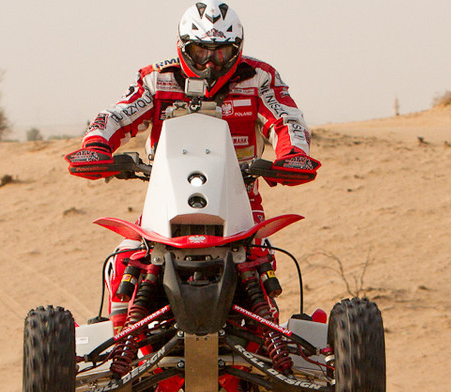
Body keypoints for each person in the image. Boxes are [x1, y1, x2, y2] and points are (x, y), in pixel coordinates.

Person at [66, 2, 320, 329]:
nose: (211, 63)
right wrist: (96, 145)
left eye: (222, 52)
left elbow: (287, 120)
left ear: (238, 49)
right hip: (167, 200)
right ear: (184, 46)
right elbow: (116, 115)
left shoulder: (258, 77)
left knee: (260, 264)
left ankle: (265, 343)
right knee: (126, 259)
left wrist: (292, 155)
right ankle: (122, 342)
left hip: (240, 202)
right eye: (201, 51)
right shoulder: (158, 79)